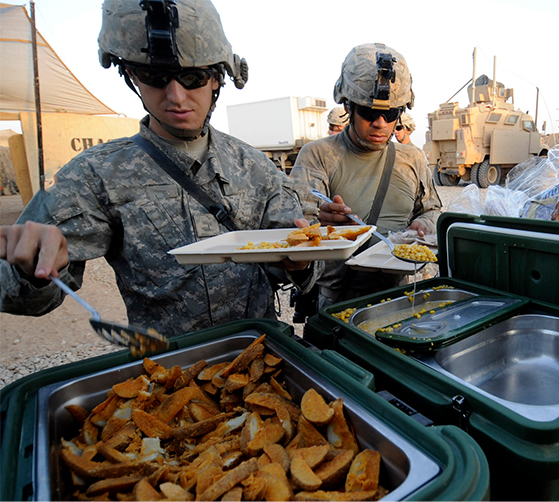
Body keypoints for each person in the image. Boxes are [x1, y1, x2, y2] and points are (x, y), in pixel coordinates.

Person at [0, 0, 318, 338]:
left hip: (261, 357)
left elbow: (301, 265)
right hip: (166, 371)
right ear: (132, 76)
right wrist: (33, 269)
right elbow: (21, 296)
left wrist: (302, 264)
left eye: (193, 77)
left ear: (216, 78)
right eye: (155, 77)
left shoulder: (255, 167)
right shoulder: (95, 176)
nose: (176, 96)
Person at [289, 43, 442, 308]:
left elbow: (431, 210)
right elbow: (293, 234)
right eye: (370, 112)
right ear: (348, 107)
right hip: (338, 304)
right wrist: (326, 228)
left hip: (400, 299)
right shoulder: (319, 155)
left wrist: (423, 226)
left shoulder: (412, 158)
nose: (380, 123)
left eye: (390, 113)